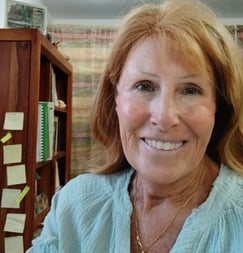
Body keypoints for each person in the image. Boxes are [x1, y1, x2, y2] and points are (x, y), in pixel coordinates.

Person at [27, 0, 243, 252]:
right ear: (115, 98)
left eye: (190, 90)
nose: (164, 117)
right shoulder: (74, 205)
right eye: (144, 86)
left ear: (219, 107)